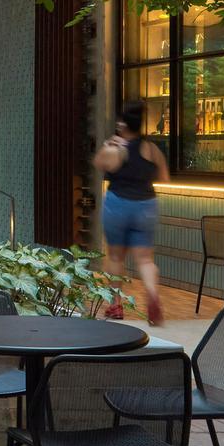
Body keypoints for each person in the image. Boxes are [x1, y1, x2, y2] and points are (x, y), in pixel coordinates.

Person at [92, 101, 167, 326]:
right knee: (145, 259)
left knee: (115, 256)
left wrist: (108, 144)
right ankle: (152, 294)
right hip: (146, 204)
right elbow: (164, 176)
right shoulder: (151, 149)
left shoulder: (115, 148)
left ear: (123, 124)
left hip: (118, 204)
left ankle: (115, 305)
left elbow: (98, 163)